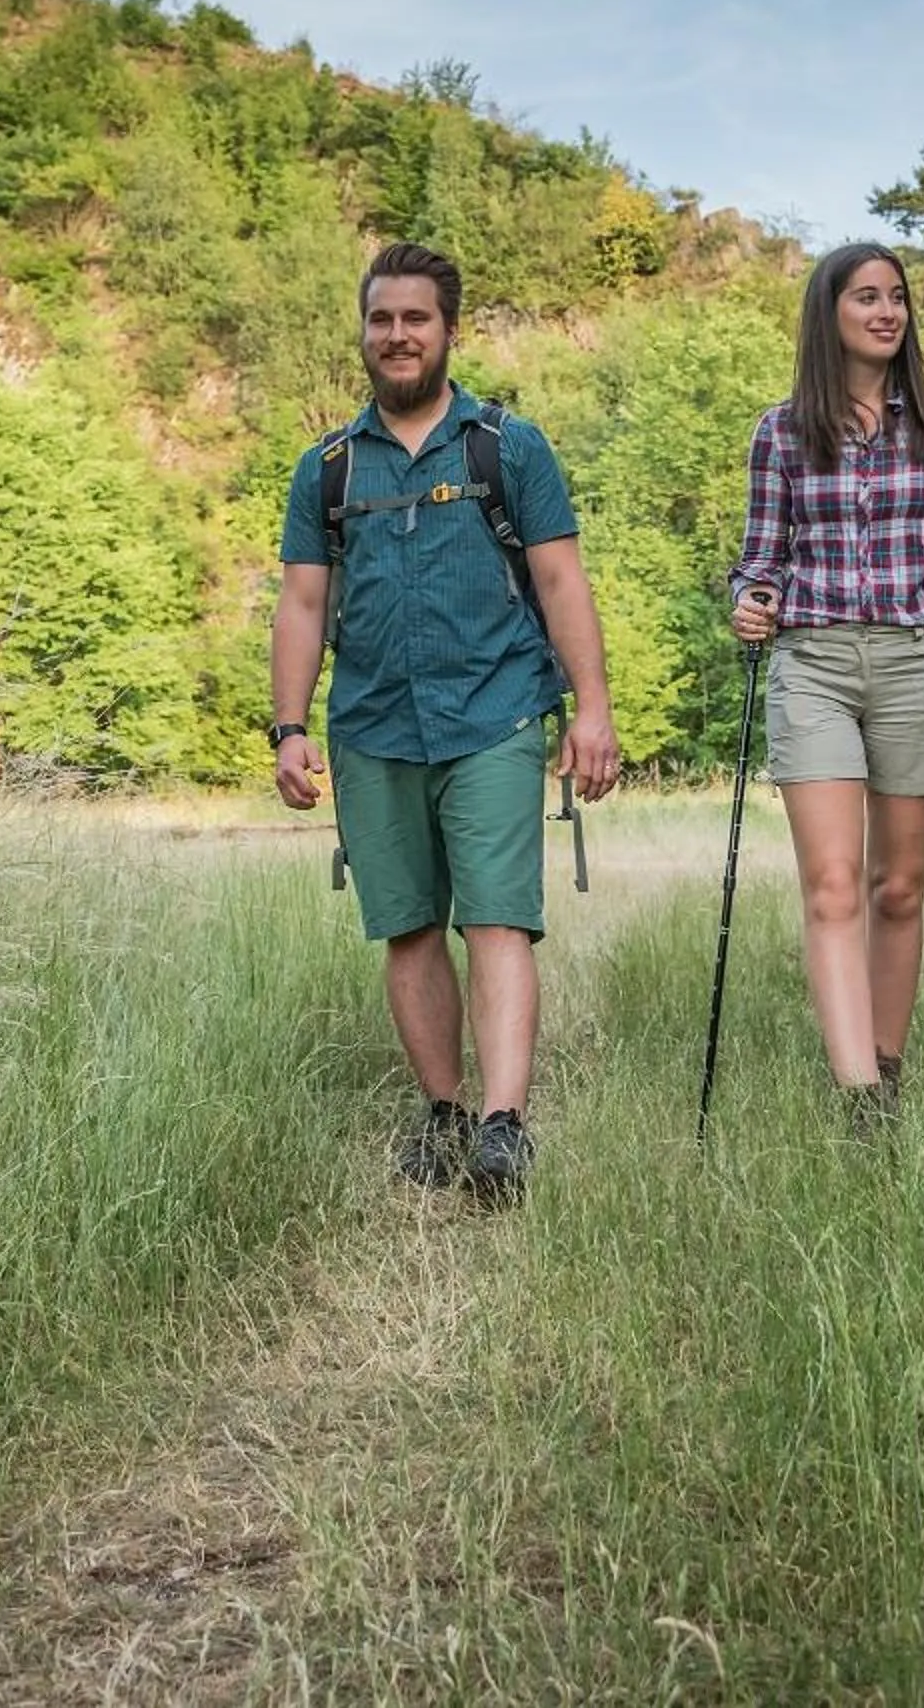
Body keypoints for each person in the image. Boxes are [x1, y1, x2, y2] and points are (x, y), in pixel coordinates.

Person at [269, 241, 619, 1201]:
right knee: (410, 926)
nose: (396, 336)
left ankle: (505, 1128)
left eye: (414, 318)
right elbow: (303, 604)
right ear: (365, 332)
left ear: (449, 331)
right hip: (372, 724)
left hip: (496, 713)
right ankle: (445, 1113)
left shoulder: (508, 449)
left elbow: (559, 580)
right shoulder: (328, 470)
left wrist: (593, 708)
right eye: (381, 319)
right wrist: (287, 728)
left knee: (499, 918)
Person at [727, 242, 924, 1135]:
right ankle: (858, 1100)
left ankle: (889, 1069)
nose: (887, 312)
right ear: (829, 313)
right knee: (835, 883)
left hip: (914, 661)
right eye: (866, 298)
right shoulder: (781, 429)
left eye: (897, 298)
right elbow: (760, 556)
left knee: (898, 886)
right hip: (811, 662)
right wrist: (750, 601)